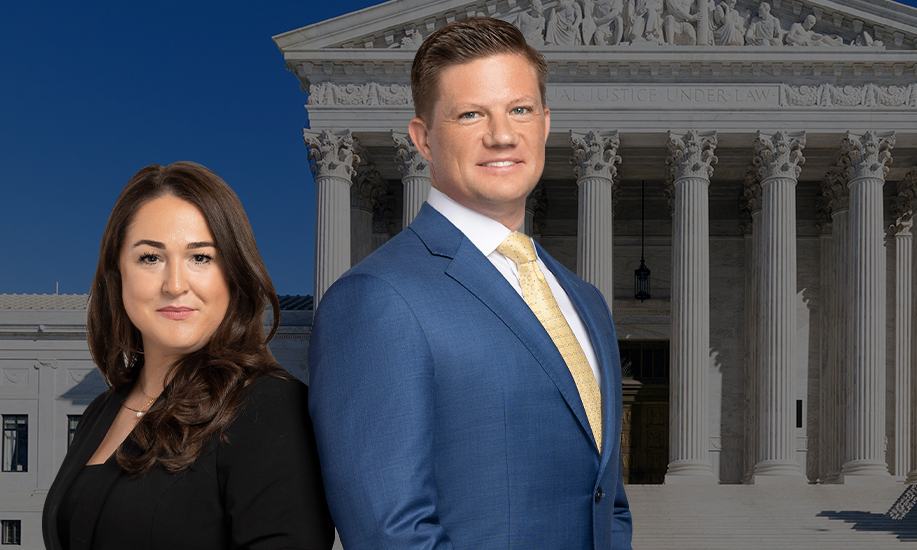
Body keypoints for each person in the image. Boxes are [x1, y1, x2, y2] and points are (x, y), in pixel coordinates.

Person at [308, 17, 632, 550]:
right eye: (470, 114)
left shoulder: (585, 302)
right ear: (422, 139)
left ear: (546, 123)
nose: (502, 134)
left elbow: (606, 500)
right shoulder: (375, 299)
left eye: (519, 110)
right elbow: (392, 534)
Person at [42, 162, 335, 550]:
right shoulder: (103, 409)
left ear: (233, 273)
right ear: (118, 273)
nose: (176, 285)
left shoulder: (272, 407)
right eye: (150, 258)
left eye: (201, 258)